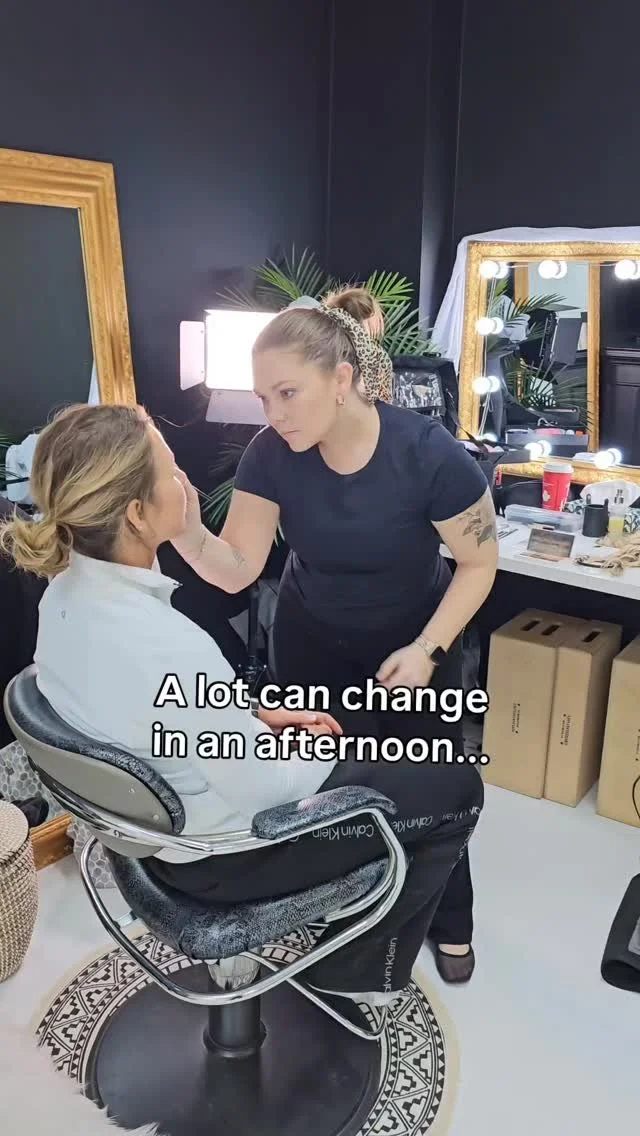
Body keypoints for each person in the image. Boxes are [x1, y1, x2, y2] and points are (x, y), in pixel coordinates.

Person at [0, 402, 482, 1006]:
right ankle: (354, 973)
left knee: (367, 732)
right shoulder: (164, 643)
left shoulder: (64, 597)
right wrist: (312, 747)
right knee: (457, 787)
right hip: (216, 857)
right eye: (171, 471)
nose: (185, 482)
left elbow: (149, 708)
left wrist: (251, 715)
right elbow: (268, 791)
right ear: (138, 514)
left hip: (149, 827)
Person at [171, 287, 499, 983]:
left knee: (433, 787)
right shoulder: (270, 454)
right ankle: (345, 905)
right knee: (325, 784)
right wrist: (186, 530)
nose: (274, 414)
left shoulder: (429, 455)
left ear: (342, 378)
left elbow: (479, 563)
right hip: (311, 640)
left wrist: (427, 650)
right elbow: (238, 569)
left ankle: (451, 920)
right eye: (264, 398)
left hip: (416, 642)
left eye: (288, 393)